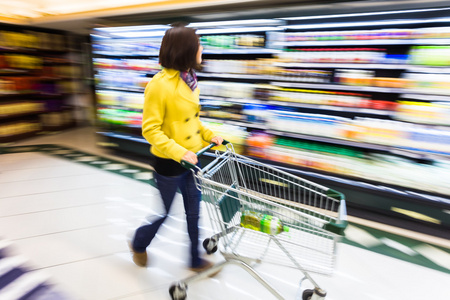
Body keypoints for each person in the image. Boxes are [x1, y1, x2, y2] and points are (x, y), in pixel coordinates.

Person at [129, 24, 223, 272]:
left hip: (193, 159)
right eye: (198, 44)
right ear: (185, 49)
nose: (201, 48)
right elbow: (150, 130)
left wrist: (209, 135)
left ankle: (194, 260)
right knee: (164, 214)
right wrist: (178, 151)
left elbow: (193, 120)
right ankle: (138, 243)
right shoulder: (158, 85)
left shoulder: (190, 79)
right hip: (170, 163)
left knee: (194, 213)